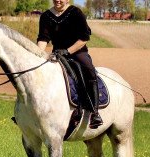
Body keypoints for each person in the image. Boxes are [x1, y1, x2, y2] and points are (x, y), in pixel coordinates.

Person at [37, 0, 103, 129]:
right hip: (57, 54)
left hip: (77, 52)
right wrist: (37, 55)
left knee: (88, 70)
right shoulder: (46, 16)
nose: (58, 0)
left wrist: (67, 51)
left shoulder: (76, 12)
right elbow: (43, 38)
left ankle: (94, 112)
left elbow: (84, 38)